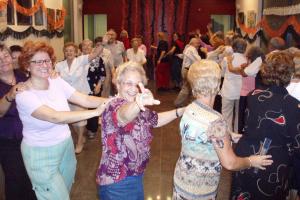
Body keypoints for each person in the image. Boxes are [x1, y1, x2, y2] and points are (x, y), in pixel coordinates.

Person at [16, 41, 108, 200]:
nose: (44, 65)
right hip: (40, 153)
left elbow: (84, 99)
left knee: (64, 192)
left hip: (65, 146)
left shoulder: (56, 81)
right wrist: (97, 112)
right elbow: (55, 117)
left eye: (47, 60)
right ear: (27, 66)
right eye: (37, 61)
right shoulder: (24, 94)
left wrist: (116, 100)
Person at [172, 60, 273, 200]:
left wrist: (228, 135)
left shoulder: (190, 108)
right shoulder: (216, 120)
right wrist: (251, 161)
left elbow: (200, 135)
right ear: (217, 85)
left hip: (181, 180)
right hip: (200, 189)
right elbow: (230, 163)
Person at [96, 61, 185, 200]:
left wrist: (181, 111)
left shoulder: (137, 106)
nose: (133, 88)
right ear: (118, 84)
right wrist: (138, 103)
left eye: (138, 84)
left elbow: (155, 119)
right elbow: (123, 116)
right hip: (117, 182)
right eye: (128, 83)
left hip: (135, 176)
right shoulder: (113, 106)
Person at [230, 51, 300, 200]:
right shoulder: (293, 105)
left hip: (246, 156)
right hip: (271, 162)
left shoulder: (253, 95)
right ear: (290, 74)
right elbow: (297, 144)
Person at [0, 44, 37, 200]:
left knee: (32, 178)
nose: (4, 60)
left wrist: (52, 75)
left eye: (6, 56)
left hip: (31, 138)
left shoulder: (22, 75)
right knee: (15, 182)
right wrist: (10, 95)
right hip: (10, 142)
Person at [55, 42, 102, 153]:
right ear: (64, 52)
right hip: (66, 96)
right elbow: (55, 79)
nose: (69, 52)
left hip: (80, 95)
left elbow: (95, 54)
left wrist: (102, 44)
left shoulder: (81, 60)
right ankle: (80, 137)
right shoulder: (59, 65)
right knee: (71, 120)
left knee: (80, 120)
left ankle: (80, 141)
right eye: (66, 50)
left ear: (76, 52)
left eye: (71, 50)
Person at [81, 39, 107, 139]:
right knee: (82, 109)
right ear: (81, 47)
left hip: (94, 87)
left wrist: (99, 85)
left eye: (89, 45)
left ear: (92, 47)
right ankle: (82, 128)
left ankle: (92, 129)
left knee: (93, 108)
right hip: (81, 89)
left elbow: (102, 74)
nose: (86, 47)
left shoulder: (97, 59)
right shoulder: (78, 59)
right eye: (84, 45)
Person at [220, 38, 247, 132]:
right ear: (244, 48)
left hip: (228, 90)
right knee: (239, 115)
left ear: (233, 47)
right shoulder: (246, 60)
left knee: (226, 114)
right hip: (242, 91)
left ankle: (227, 136)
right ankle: (236, 135)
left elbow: (222, 74)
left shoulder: (226, 59)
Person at [174, 37, 202, 107]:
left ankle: (185, 103)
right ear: (192, 43)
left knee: (188, 87)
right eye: (197, 43)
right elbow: (198, 59)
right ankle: (180, 103)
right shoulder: (192, 49)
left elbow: (183, 56)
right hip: (188, 70)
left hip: (186, 70)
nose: (198, 44)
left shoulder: (188, 48)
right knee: (187, 87)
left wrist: (178, 55)